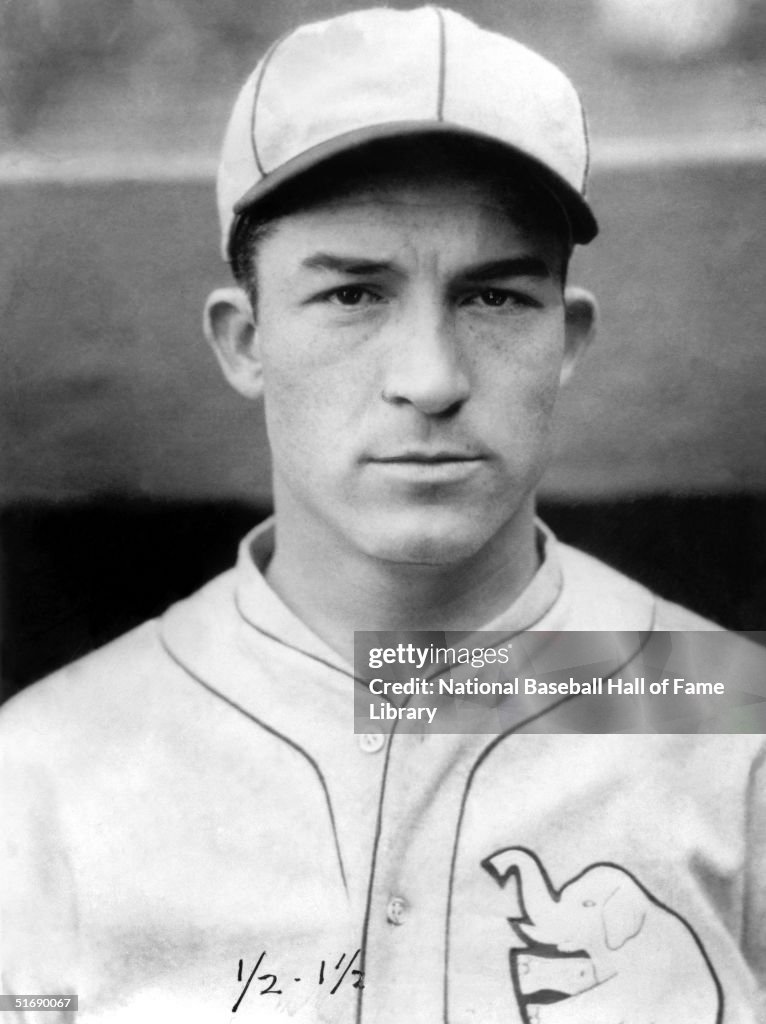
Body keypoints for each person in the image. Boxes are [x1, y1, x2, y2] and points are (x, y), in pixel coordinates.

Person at [1, 7, 764, 1023]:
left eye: (494, 298)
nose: (431, 378)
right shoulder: (45, 767)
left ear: (568, 339)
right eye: (354, 295)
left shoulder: (733, 722)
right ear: (243, 338)